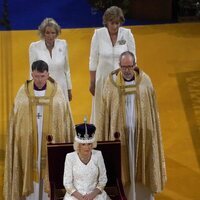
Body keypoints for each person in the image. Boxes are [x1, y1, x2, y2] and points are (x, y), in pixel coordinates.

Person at [96, 51, 167, 200]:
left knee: (140, 166)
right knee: (122, 167)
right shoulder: (111, 84)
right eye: (124, 66)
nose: (127, 70)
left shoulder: (145, 81)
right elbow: (104, 114)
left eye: (129, 66)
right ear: (119, 66)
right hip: (120, 136)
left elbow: (152, 110)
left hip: (141, 134)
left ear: (135, 65)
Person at [4, 60, 75, 200]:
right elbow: (16, 120)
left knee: (50, 170)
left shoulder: (57, 92)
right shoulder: (23, 92)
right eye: (36, 76)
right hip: (28, 146)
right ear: (32, 74)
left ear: (48, 74)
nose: (39, 80)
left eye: (42, 76)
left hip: (50, 143)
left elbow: (64, 118)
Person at [89, 6, 136, 125]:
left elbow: (133, 58)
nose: (115, 26)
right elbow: (93, 60)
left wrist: (132, 81)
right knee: (101, 110)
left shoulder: (127, 34)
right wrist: (92, 82)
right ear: (106, 22)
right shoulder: (98, 34)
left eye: (117, 23)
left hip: (122, 80)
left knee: (120, 111)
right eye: (112, 23)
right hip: (103, 80)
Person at [63, 120, 110, 200]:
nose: (87, 147)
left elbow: (103, 179)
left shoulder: (98, 155)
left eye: (89, 144)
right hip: (75, 196)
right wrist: (81, 198)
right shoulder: (70, 157)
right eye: (83, 144)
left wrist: (92, 195)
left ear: (93, 143)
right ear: (78, 144)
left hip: (95, 195)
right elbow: (67, 183)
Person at [29, 18, 72, 101]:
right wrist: (32, 90)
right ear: (43, 33)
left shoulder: (63, 44)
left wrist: (69, 89)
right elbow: (32, 71)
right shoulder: (34, 47)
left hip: (62, 87)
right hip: (43, 88)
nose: (50, 36)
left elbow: (67, 69)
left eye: (53, 33)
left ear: (56, 34)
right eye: (47, 33)